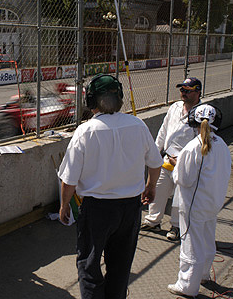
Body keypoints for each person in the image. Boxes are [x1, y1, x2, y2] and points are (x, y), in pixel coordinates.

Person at [58, 74, 163, 299]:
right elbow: (156, 163)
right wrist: (150, 186)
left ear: (91, 101)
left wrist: (64, 205)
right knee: (121, 264)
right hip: (130, 208)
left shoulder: (85, 132)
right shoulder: (138, 125)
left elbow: (69, 179)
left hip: (97, 210)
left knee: (89, 264)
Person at [167, 104, 231, 297]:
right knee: (207, 237)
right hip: (213, 202)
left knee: (191, 242)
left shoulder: (192, 147)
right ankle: (203, 274)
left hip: (194, 204)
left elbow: (183, 180)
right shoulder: (222, 145)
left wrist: (176, 165)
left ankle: (187, 285)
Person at [141, 77, 202, 241]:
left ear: (197, 92)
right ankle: (153, 220)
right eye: (182, 90)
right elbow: (163, 130)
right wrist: (154, 151)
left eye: (187, 91)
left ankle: (176, 225)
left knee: (180, 197)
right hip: (167, 159)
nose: (183, 93)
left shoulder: (202, 113)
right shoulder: (175, 107)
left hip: (186, 163)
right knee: (158, 190)